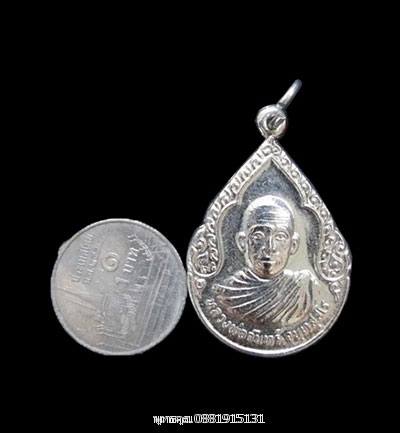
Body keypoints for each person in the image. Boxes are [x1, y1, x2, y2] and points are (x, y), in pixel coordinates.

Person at [212, 195, 317, 327]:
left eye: (280, 236)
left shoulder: (306, 288)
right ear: (242, 242)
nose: (269, 247)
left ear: (293, 245)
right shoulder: (226, 293)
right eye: (258, 236)